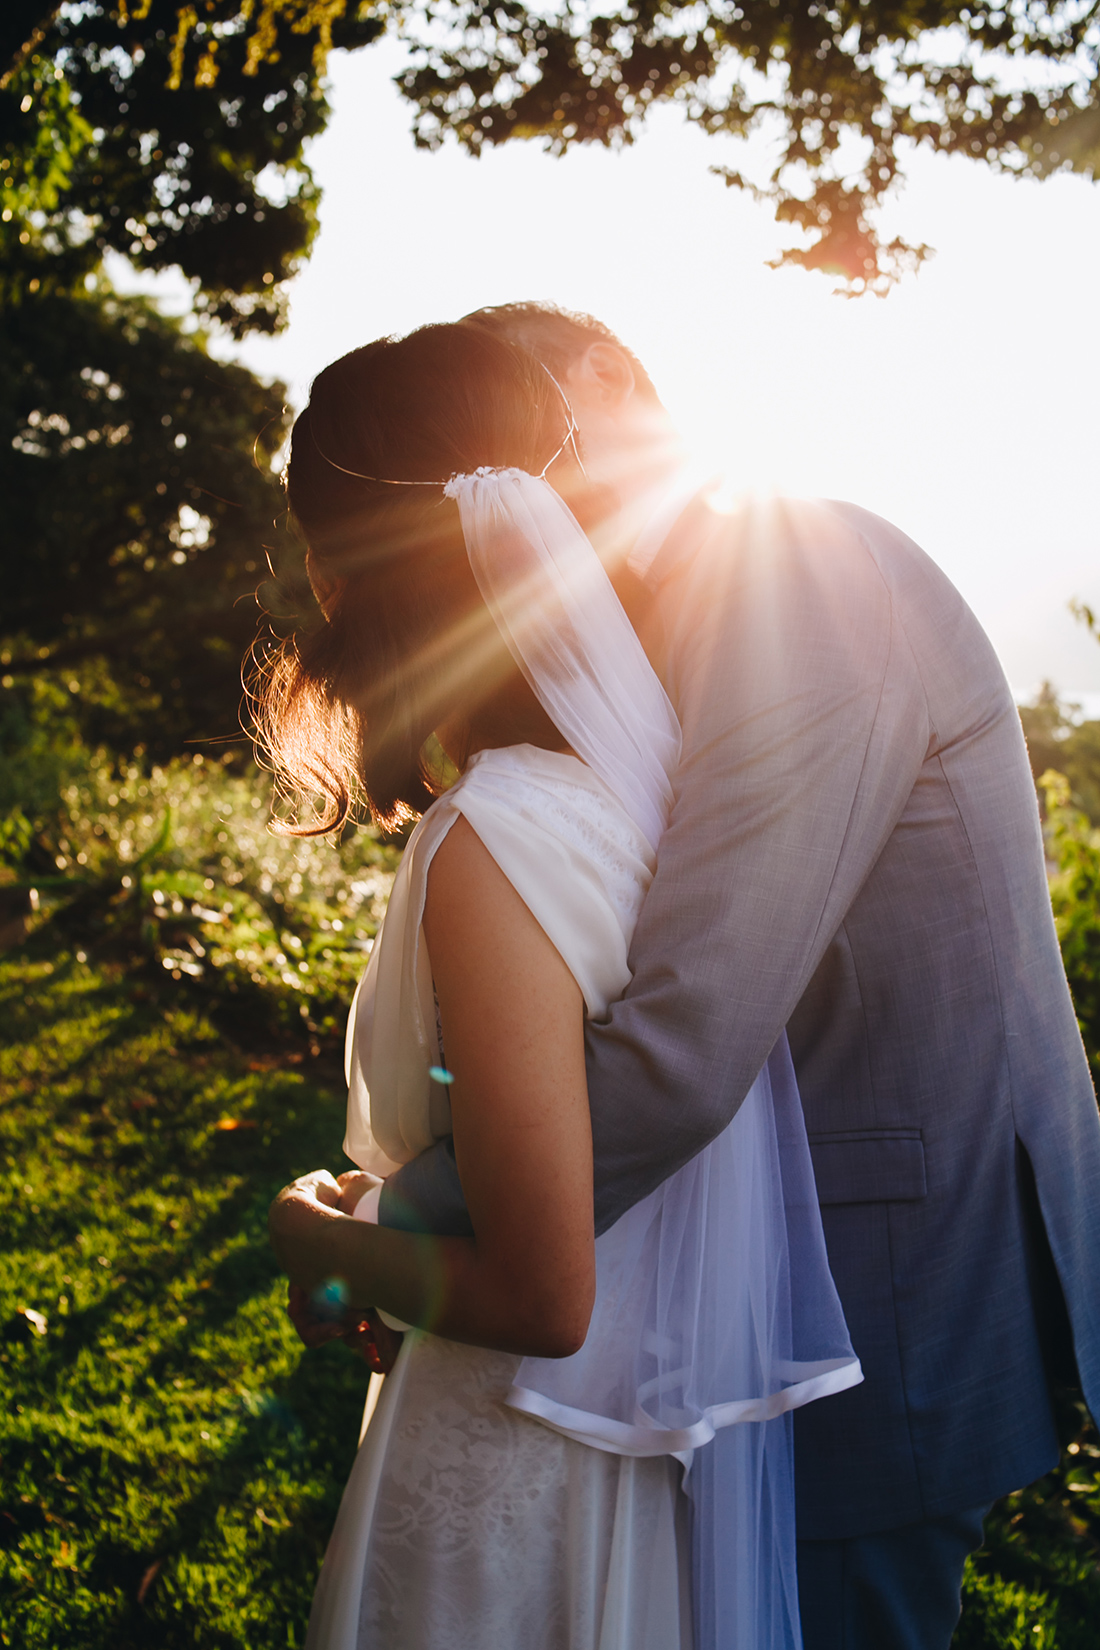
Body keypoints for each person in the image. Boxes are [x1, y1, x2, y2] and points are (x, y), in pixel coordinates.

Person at [263, 320, 862, 1650]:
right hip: (605, 1454)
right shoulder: (623, 800)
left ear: (342, 570)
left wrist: (322, 1241)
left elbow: (541, 1292)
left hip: (505, 1484)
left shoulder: (492, 839)